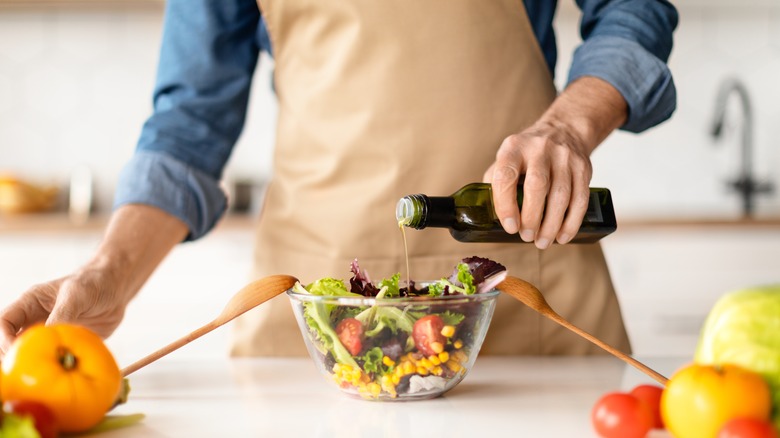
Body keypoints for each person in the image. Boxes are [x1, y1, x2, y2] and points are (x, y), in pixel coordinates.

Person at [0, 0, 678, 357]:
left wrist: (567, 126)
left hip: (525, 295)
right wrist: (108, 276)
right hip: (316, 326)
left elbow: (634, 7)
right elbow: (189, 124)